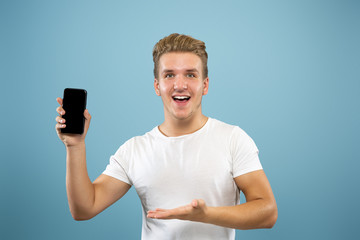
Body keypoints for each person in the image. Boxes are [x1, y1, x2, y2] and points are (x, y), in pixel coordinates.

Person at [55, 33, 278, 240]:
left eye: (190, 74)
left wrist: (205, 214)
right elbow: (84, 208)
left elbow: (267, 212)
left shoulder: (233, 139)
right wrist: (75, 146)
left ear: (205, 85)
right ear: (157, 86)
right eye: (169, 75)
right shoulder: (135, 149)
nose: (179, 85)